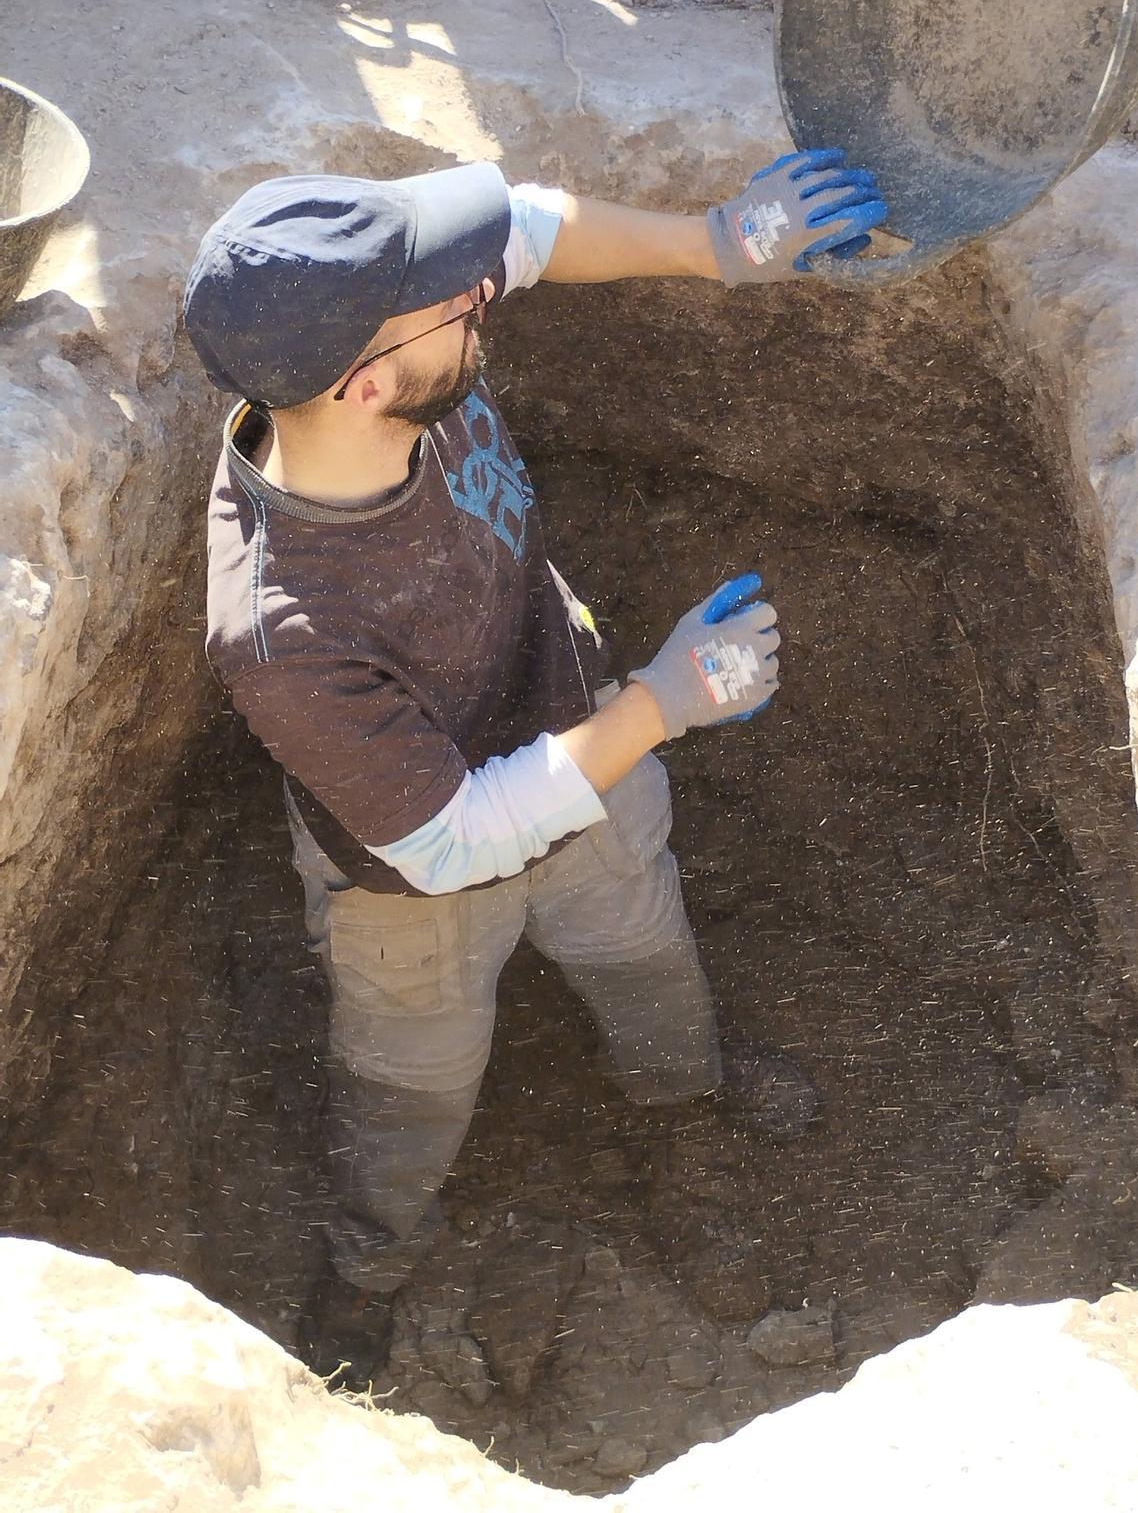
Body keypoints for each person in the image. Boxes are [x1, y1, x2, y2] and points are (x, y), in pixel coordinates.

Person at [183, 151, 888, 1384]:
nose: (481, 292)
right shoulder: (286, 628)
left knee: (649, 954)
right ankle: (371, 1262)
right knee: (408, 1095)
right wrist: (667, 702)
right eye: (450, 297)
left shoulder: (379, 363)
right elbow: (450, 838)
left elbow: (533, 224)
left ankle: (682, 1110)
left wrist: (720, 238)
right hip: (413, 896)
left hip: (581, 751)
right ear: (364, 385)